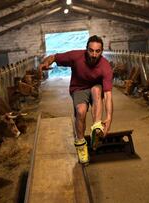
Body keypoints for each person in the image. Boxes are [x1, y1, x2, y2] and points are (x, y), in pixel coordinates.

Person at [38, 35, 113, 164]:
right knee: (81, 111)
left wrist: (109, 117)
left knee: (96, 90)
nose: (94, 54)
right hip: (78, 88)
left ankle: (96, 127)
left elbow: (107, 95)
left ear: (102, 51)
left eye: (97, 51)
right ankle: (81, 144)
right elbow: (54, 57)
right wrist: (45, 62)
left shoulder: (105, 66)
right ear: (86, 49)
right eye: (91, 50)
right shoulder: (76, 56)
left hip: (96, 88)